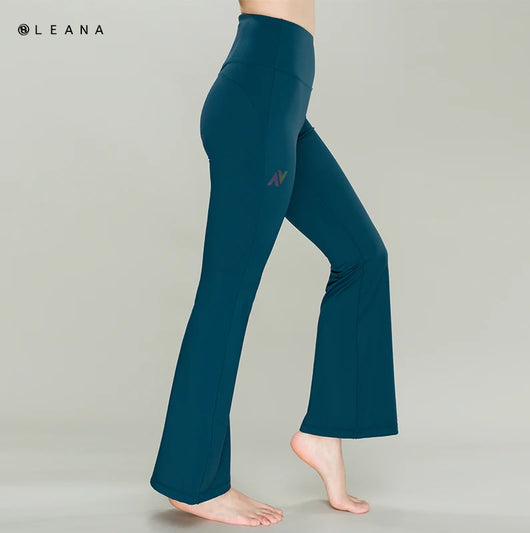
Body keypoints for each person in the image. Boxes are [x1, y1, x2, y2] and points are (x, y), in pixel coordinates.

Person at [149, 0, 399, 526]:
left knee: (363, 257)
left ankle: (323, 433)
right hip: (259, 102)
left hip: (281, 106)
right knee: (226, 292)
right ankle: (192, 482)